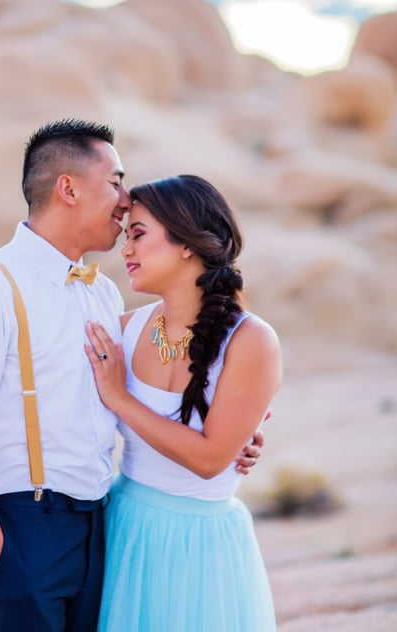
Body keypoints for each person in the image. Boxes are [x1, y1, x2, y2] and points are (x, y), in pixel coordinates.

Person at [0, 120, 265, 632]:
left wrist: (239, 432)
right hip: (22, 529)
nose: (125, 200)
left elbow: (188, 382)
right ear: (68, 188)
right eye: (115, 181)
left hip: (103, 529)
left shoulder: (102, 296)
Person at [84, 174, 282, 632]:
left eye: (138, 235)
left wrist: (119, 398)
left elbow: (211, 459)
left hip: (201, 547)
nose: (125, 250)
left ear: (187, 243)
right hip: (123, 530)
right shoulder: (123, 328)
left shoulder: (250, 340)